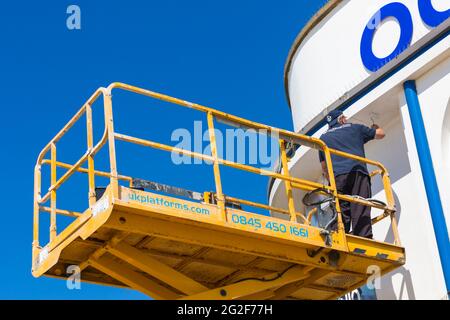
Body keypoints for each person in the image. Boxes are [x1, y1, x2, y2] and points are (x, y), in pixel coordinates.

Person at [318, 110, 385, 239]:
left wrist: (331, 182)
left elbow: (324, 167)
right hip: (357, 173)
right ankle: (364, 237)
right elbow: (381, 134)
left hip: (337, 177)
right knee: (360, 205)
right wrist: (375, 127)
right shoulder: (355, 128)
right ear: (341, 119)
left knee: (340, 209)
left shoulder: (323, 139)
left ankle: (337, 236)